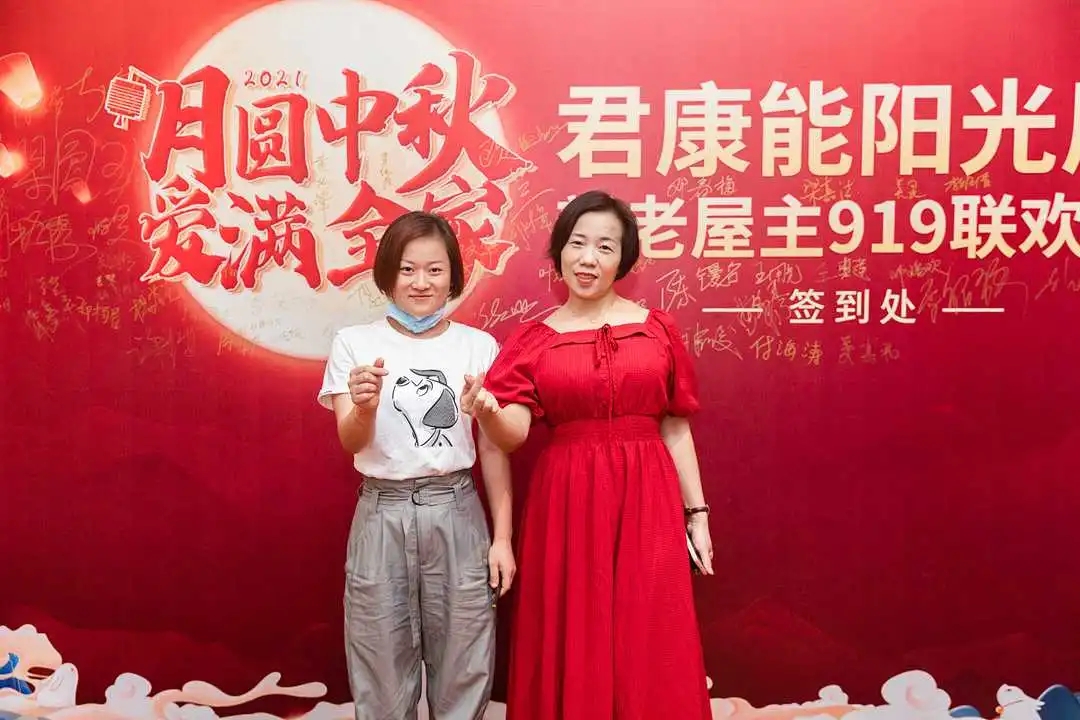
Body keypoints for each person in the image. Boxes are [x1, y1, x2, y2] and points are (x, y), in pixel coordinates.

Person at [459, 190, 714, 719]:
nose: (588, 258)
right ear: (558, 252)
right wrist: (488, 411)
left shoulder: (657, 329)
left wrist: (698, 514)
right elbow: (512, 435)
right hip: (568, 502)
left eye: (605, 246)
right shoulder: (533, 339)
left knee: (651, 632)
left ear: (624, 259)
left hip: (648, 499)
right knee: (576, 630)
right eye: (577, 244)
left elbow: (675, 424)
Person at [317, 210, 516, 720]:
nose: (421, 282)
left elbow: (494, 449)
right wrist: (364, 407)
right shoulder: (354, 344)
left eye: (434, 269)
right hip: (381, 513)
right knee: (381, 676)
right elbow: (350, 440)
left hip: (457, 511)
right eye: (407, 269)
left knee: (465, 670)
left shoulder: (478, 346)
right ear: (387, 273)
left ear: (453, 275)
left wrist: (502, 539)